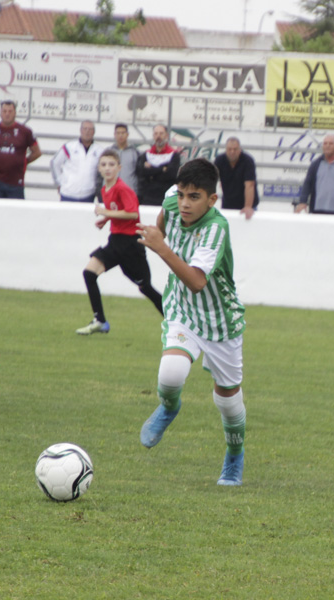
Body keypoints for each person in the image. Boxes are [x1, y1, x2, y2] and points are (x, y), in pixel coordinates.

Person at [136, 158, 248, 487]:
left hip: (220, 320)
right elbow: (164, 216)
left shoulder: (217, 228)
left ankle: (234, 456)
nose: (185, 203)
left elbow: (198, 281)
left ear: (212, 200)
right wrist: (161, 230)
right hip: (183, 310)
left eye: (195, 197)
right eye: (183, 194)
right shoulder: (174, 200)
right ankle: (169, 408)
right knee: (170, 374)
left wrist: (162, 247)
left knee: (228, 401)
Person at [75, 149, 164, 335]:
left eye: (112, 164)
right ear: (99, 168)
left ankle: (175, 319)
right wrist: (106, 220)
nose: (108, 168)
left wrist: (105, 213)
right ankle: (99, 320)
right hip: (115, 242)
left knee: (145, 287)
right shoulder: (104, 189)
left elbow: (132, 213)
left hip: (131, 245)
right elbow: (118, 211)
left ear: (119, 168)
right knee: (89, 273)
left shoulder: (123, 189)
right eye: (104, 164)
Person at [0, 100, 41, 199]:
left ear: (15, 113)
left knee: (16, 212)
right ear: (0, 113)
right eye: (4, 111)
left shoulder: (25, 131)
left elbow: (37, 152)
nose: (7, 114)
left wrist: (24, 162)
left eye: (10, 111)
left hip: (16, 181)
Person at [295, 134, 334, 215]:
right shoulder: (315, 164)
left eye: (330, 144)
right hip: (317, 210)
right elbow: (307, 183)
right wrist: (302, 201)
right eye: (325, 144)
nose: (327, 146)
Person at [51, 120, 105, 203]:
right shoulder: (69, 147)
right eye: (85, 128)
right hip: (68, 193)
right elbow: (55, 163)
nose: (87, 131)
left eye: (90, 129)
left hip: (88, 194)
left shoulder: (99, 151)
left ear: (94, 132)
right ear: (80, 130)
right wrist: (59, 183)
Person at [214, 137, 258, 220]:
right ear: (226, 149)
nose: (232, 152)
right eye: (229, 149)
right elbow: (210, 181)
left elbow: (250, 185)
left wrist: (248, 207)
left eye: (235, 149)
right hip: (228, 204)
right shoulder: (220, 160)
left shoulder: (247, 161)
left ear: (240, 150)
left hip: (246, 205)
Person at [138, 124, 180, 206]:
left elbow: (171, 175)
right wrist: (162, 169)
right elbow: (142, 173)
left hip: (166, 197)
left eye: (161, 133)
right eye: (156, 134)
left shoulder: (174, 155)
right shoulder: (146, 154)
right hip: (148, 197)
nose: (158, 136)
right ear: (153, 136)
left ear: (167, 136)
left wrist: (151, 172)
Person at [101, 123, 142, 197]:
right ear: (114, 134)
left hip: (128, 192)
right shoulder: (108, 152)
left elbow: (139, 174)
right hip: (110, 191)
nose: (120, 135)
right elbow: (100, 172)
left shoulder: (135, 152)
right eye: (118, 133)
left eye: (123, 133)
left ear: (127, 134)